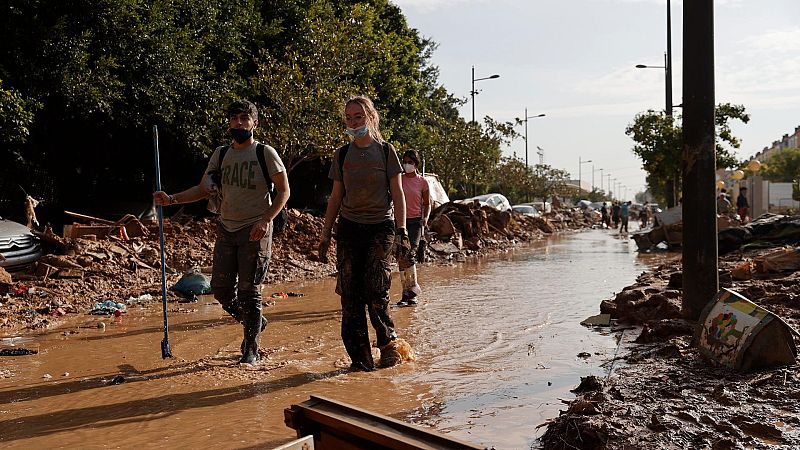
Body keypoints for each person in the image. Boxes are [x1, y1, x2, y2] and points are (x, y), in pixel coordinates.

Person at [153, 100, 289, 364]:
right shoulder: (221, 154)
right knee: (221, 290)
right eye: (234, 118)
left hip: (255, 229)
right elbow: (202, 189)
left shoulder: (265, 153)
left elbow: (284, 191)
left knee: (249, 292)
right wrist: (171, 199)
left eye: (244, 118)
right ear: (228, 123)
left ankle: (250, 350)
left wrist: (266, 220)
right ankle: (255, 322)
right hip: (227, 228)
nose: (239, 123)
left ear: (254, 123)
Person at [318, 95, 409, 372]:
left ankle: (388, 346)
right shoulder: (342, 154)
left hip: (381, 227)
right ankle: (360, 359)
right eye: (349, 118)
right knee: (350, 295)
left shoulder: (386, 151)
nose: (353, 122)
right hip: (349, 227)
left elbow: (398, 194)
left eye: (358, 117)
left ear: (370, 117)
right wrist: (325, 234)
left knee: (376, 289)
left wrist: (402, 232)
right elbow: (336, 197)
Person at [397, 149, 430, 307]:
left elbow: (427, 204)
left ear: (416, 164)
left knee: (410, 253)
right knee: (401, 256)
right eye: (405, 162)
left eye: (410, 162)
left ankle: (413, 289)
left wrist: (426, 218)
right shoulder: (399, 179)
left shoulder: (422, 182)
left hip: (416, 222)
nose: (406, 165)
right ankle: (406, 294)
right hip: (400, 221)